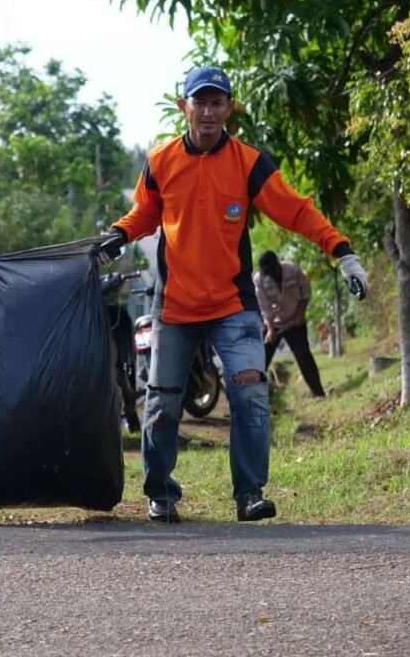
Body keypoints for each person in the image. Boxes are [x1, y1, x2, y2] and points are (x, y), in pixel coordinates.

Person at [99, 66, 368, 523]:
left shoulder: (248, 162)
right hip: (176, 304)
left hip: (231, 302)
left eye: (217, 102)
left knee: (249, 392)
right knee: (162, 401)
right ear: (184, 107)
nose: (207, 111)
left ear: (229, 109)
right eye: (199, 102)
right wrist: (117, 236)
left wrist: (341, 251)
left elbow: (295, 210)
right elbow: (144, 214)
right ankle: (160, 492)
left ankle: (249, 494)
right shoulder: (161, 161)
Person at [253, 251, 326, 398]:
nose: (271, 276)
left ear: (277, 265)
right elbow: (265, 308)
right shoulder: (260, 280)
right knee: (260, 359)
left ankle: (318, 393)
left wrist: (300, 315)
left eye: (272, 271)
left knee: (304, 356)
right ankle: (253, 397)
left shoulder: (293, 270)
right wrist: (271, 330)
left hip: (295, 321)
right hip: (275, 324)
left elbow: (305, 292)